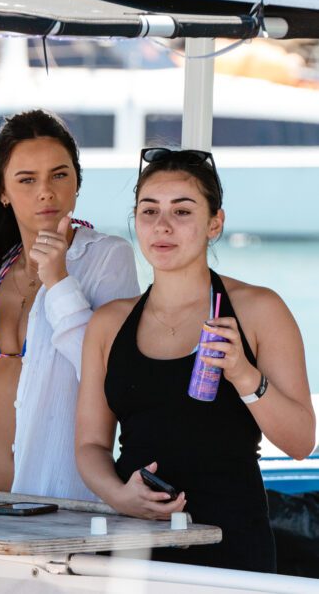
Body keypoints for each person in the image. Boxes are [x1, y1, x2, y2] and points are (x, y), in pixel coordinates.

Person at [76, 147, 316, 571]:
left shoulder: (259, 309)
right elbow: (90, 445)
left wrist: (244, 375)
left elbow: (300, 443)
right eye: (148, 212)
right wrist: (119, 496)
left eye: (182, 212)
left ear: (214, 223)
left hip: (231, 542)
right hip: (132, 542)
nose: (162, 225)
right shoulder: (109, 323)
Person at [0, 110, 140, 500]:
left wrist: (58, 281)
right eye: (26, 179)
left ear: (77, 181)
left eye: (59, 174)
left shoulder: (106, 257)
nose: (45, 191)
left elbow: (115, 378)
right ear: (2, 191)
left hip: (54, 497)